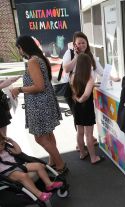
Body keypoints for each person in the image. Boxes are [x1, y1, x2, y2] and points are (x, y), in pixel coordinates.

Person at [10, 36, 67, 174]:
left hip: (39, 105)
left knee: (40, 138)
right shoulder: (40, 58)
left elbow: (39, 86)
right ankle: (53, 162)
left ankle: (60, 165)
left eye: (19, 48)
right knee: (48, 135)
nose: (19, 51)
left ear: (22, 47)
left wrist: (19, 89)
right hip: (44, 103)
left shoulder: (33, 61)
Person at [61, 31, 120, 151]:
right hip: (73, 90)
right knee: (78, 118)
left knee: (84, 119)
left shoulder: (90, 54)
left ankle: (86, 141)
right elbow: (66, 69)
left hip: (87, 89)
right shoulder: (70, 53)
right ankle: (81, 144)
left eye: (84, 42)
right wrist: (77, 57)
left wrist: (113, 78)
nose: (82, 45)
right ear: (74, 44)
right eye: (79, 43)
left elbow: (100, 71)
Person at [0, 133, 63, 201]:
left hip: (18, 165)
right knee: (23, 176)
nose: (1, 146)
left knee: (38, 166)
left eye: (2, 144)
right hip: (7, 172)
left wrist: (12, 141)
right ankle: (39, 194)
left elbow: (18, 151)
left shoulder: (6, 148)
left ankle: (49, 184)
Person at [70, 53, 104, 164]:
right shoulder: (89, 78)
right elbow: (86, 95)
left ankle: (82, 153)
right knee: (89, 134)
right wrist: (81, 99)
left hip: (77, 108)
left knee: (79, 132)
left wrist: (77, 99)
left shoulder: (73, 76)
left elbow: (75, 91)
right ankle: (93, 158)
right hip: (86, 108)